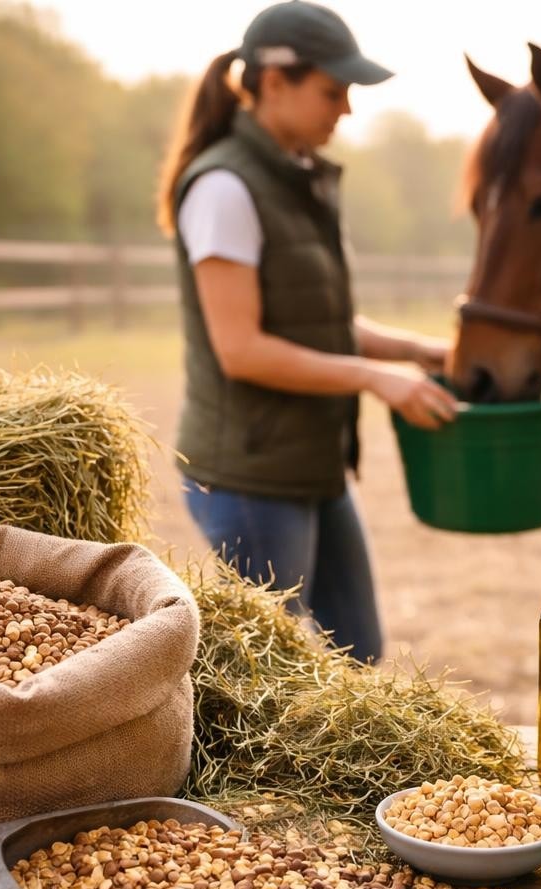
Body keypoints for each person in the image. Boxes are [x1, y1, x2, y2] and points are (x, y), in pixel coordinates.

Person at [157, 1, 458, 663]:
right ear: (273, 82)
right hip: (251, 476)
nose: (346, 110)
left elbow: (317, 324)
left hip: (311, 464)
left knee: (359, 649)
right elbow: (242, 349)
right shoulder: (225, 189)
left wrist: (423, 351)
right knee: (272, 677)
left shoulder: (292, 180)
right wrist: (378, 380)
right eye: (333, 90)